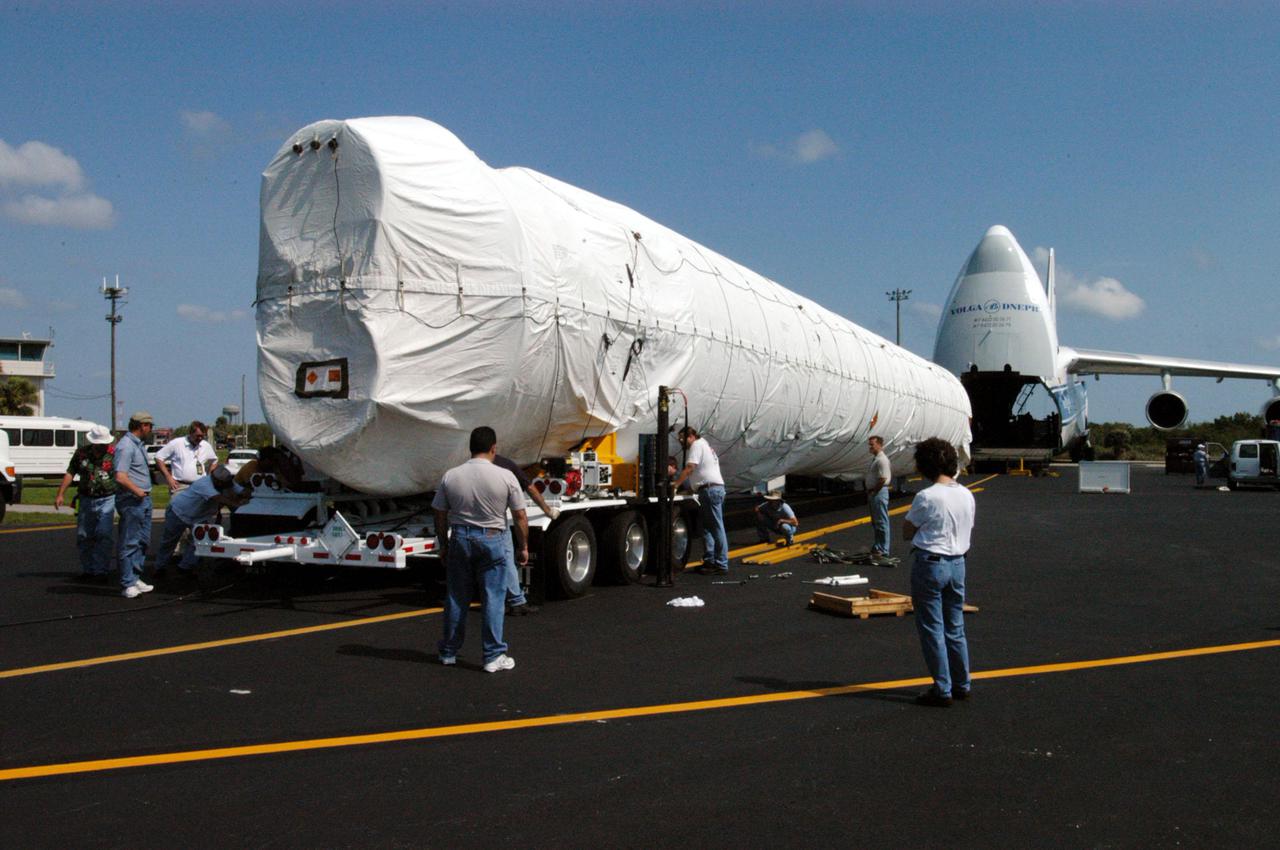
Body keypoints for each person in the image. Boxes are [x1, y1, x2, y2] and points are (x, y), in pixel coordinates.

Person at [432, 426, 528, 673]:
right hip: (492, 538)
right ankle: (492, 656)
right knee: (493, 598)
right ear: (494, 448)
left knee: (456, 597)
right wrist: (524, 546)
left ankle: (448, 652)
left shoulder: (451, 476)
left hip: (460, 538)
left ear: (470, 448)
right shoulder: (505, 476)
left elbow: (440, 515)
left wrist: (444, 545)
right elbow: (519, 516)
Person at [902, 437, 976, 707]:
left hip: (931, 563)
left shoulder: (927, 496)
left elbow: (907, 530)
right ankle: (962, 683)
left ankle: (941, 688)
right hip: (958, 563)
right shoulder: (966, 494)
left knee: (932, 627)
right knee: (955, 627)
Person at [492, 454, 560, 616]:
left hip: (465, 528)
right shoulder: (505, 467)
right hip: (494, 526)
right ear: (493, 447)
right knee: (506, 560)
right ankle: (516, 601)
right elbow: (522, 507)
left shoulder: (460, 471)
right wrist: (548, 510)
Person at [153, 466, 250, 578]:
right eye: (224, 483)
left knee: (199, 542)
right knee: (169, 541)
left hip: (199, 516)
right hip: (179, 512)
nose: (227, 486)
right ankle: (159, 567)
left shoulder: (228, 483)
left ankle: (185, 566)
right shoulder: (204, 484)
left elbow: (241, 491)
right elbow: (218, 498)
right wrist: (237, 505)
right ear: (217, 481)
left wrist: (251, 494)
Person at [54, 424, 118, 582]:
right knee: (84, 535)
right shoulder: (82, 453)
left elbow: (121, 474)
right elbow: (71, 472)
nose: (103, 446)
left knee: (104, 534)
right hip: (86, 498)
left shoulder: (114, 454)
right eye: (100, 444)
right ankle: (88, 569)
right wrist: (60, 494)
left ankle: (101, 570)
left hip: (107, 497)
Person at [672, 425, 728, 576]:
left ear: (691, 436)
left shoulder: (696, 445)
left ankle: (721, 563)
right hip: (710, 489)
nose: (681, 442)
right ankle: (710, 560)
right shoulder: (705, 445)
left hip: (710, 490)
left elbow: (690, 467)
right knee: (708, 528)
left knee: (716, 527)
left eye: (682, 439)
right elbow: (702, 471)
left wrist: (676, 485)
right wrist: (693, 488)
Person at [114, 411, 156, 599]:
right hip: (132, 500)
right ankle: (127, 582)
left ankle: (135, 576)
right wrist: (136, 490)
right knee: (129, 541)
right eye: (149, 425)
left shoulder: (138, 445)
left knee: (142, 541)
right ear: (142, 426)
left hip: (143, 499)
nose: (151, 429)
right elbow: (120, 476)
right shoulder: (126, 447)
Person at [155, 421, 218, 493]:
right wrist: (168, 477)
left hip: (200, 486)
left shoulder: (205, 445)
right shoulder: (177, 443)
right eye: (198, 436)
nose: (200, 438)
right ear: (191, 433)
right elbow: (158, 457)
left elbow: (214, 460)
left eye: (202, 436)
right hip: (180, 486)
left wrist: (209, 478)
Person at [866, 435, 893, 556]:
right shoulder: (876, 458)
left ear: (879, 445)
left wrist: (874, 491)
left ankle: (883, 549)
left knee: (881, 521)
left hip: (879, 492)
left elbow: (883, 479)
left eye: (872, 444)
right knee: (876, 522)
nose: (870, 447)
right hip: (875, 492)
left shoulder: (882, 460)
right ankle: (878, 546)